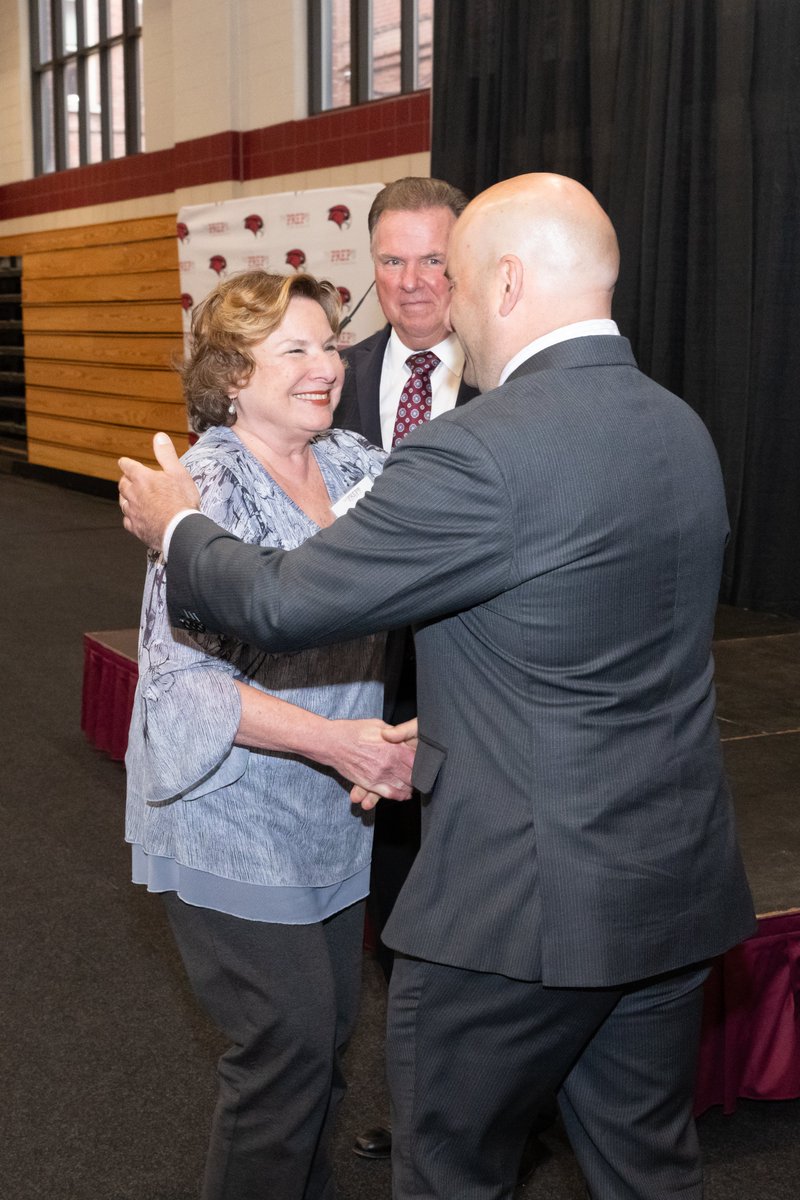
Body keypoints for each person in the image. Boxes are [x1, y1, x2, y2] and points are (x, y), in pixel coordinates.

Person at [118, 173, 756, 1200]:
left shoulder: (480, 447)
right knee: (645, 1169)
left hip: (521, 907)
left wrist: (178, 528)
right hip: (670, 883)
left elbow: (282, 604)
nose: (440, 308)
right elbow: (576, 651)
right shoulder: (677, 426)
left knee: (452, 1171)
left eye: (451, 280)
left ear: (503, 283)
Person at [123, 269, 415, 1200]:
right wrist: (344, 745)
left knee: (323, 1049)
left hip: (335, 811)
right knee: (285, 1054)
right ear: (231, 375)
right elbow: (185, 688)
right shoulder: (202, 488)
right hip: (230, 814)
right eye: (293, 349)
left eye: (327, 344)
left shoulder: (357, 467)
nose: (325, 365)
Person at [334, 175, 479, 1160]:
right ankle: (427, 1111)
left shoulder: (517, 382)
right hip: (365, 697)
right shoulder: (330, 378)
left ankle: (494, 1106)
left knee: (483, 914)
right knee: (395, 920)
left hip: (484, 696)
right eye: (392, 258)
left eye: (434, 258)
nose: (413, 281)